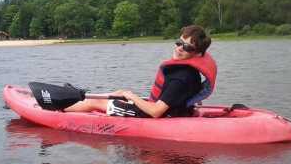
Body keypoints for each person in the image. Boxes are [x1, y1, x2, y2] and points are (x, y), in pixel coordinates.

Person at [64, 25, 217, 118]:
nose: (179, 48)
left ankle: (57, 111)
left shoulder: (181, 78)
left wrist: (132, 96)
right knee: (119, 92)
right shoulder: (188, 71)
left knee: (95, 102)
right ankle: (75, 100)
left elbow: (156, 112)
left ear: (197, 53)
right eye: (179, 42)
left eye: (187, 47)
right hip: (172, 110)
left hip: (155, 116)